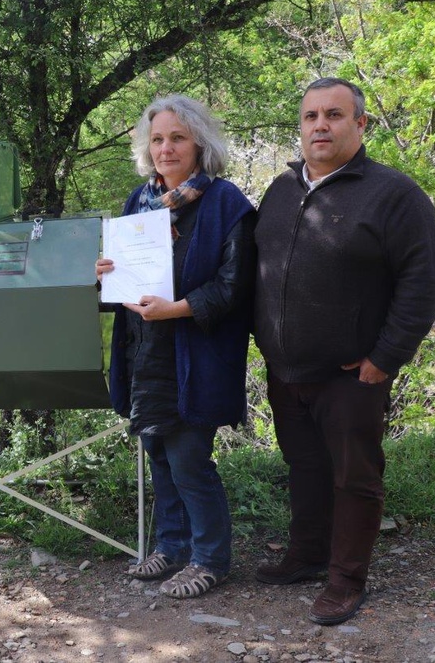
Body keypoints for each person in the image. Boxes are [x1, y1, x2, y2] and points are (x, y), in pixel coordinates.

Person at [253, 77, 435, 625]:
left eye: (334, 115)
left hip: (352, 373)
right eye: (311, 117)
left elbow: (422, 283)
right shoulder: (281, 189)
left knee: (354, 476)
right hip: (286, 369)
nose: (320, 126)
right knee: (304, 466)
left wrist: (385, 357)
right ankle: (307, 557)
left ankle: (345, 578)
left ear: (360, 124)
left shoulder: (395, 195)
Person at [95, 95, 255, 598]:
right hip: (145, 353)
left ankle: (211, 559)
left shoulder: (227, 203)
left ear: (199, 144)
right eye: (157, 139)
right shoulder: (137, 203)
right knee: (158, 453)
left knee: (189, 461)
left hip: (196, 356)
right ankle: (173, 544)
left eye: (177, 138)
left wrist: (178, 308)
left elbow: (234, 286)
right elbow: (120, 287)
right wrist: (104, 275)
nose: (166, 148)